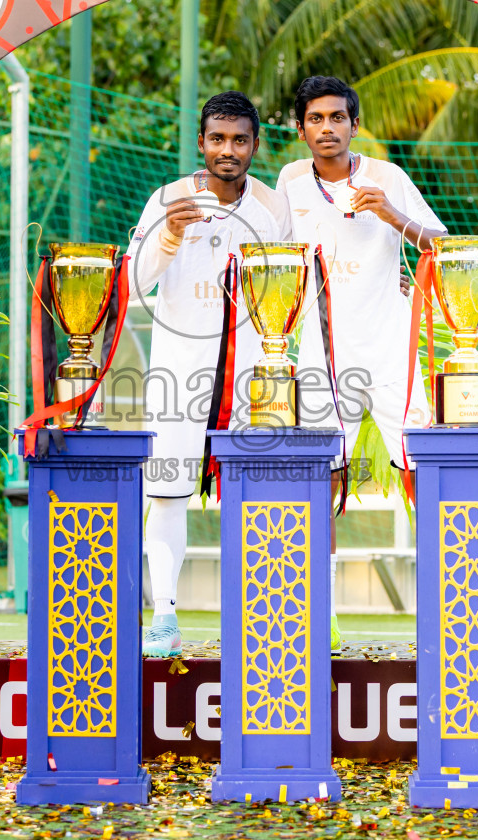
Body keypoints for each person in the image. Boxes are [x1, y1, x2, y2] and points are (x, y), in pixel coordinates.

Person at [276, 75, 446, 649]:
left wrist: (394, 216)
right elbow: (276, 260)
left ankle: (448, 607)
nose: (327, 128)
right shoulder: (290, 183)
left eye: (337, 118)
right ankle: (318, 618)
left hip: (389, 341)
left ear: (354, 123)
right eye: (316, 119)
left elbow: (440, 245)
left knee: (418, 465)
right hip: (320, 347)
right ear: (300, 129)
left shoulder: (387, 177)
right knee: (325, 474)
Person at [129, 90, 291, 657]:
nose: (229, 150)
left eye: (239, 140)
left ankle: (259, 617)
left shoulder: (271, 208)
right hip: (179, 371)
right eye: (217, 139)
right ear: (201, 143)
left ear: (254, 145)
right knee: (167, 493)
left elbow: (290, 288)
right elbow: (134, 283)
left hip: (252, 376)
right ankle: (164, 616)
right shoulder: (168, 199)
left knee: (253, 496)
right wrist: (169, 236)